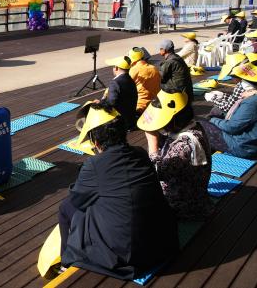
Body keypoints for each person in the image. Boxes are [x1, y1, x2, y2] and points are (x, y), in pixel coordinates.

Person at [58, 102, 178, 280]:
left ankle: (65, 260)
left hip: (125, 256)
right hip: (158, 244)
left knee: (66, 207)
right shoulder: (140, 153)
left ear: (96, 142)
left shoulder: (94, 164)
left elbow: (77, 200)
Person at [138, 90, 213, 220]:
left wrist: (152, 144)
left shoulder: (183, 146)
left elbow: (157, 174)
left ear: (173, 120)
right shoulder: (195, 127)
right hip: (199, 198)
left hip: (183, 207)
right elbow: (171, 141)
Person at [200, 58, 257, 159]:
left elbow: (231, 127)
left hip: (245, 147)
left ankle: (203, 156)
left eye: (244, 80)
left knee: (201, 125)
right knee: (217, 111)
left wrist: (212, 120)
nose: (242, 82)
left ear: (251, 83)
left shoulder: (254, 101)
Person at [96, 55, 139, 129]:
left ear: (116, 68)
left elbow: (111, 103)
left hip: (120, 122)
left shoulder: (115, 83)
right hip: (131, 119)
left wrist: (100, 102)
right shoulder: (130, 80)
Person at [158, 39, 194, 123]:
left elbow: (160, 77)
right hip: (187, 92)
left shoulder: (170, 62)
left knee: (158, 85)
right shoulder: (177, 58)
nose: (159, 50)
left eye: (160, 48)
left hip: (178, 92)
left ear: (164, 50)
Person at [128, 47, 161, 116]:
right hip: (156, 102)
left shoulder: (134, 69)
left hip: (141, 106)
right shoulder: (153, 68)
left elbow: (121, 82)